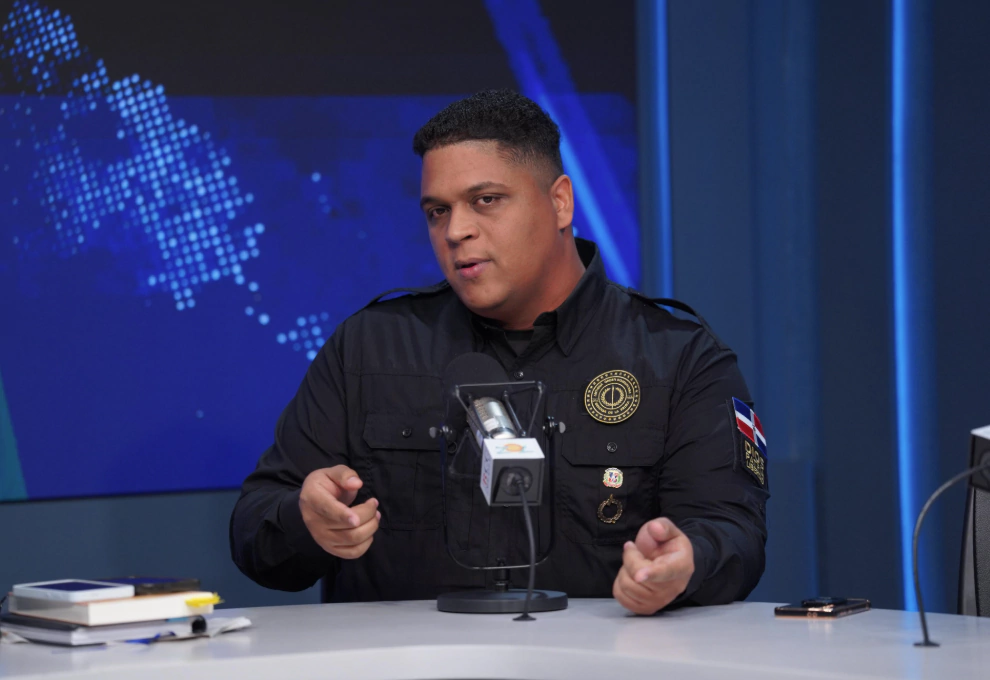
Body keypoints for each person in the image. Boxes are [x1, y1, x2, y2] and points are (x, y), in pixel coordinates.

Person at [230, 90, 769, 615]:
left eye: (485, 200)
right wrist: (306, 520)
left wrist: (685, 562)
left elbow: (735, 534)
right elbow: (254, 534)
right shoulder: (369, 348)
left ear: (560, 202)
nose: (456, 231)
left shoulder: (677, 357)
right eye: (437, 211)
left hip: (594, 660)